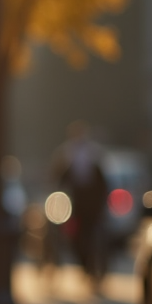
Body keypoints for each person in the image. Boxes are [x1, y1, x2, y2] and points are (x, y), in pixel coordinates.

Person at [51, 121, 110, 291]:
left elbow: (102, 181)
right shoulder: (67, 154)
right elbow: (59, 179)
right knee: (76, 238)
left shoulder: (93, 154)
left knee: (93, 236)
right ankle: (86, 266)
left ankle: (93, 268)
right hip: (76, 205)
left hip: (92, 204)